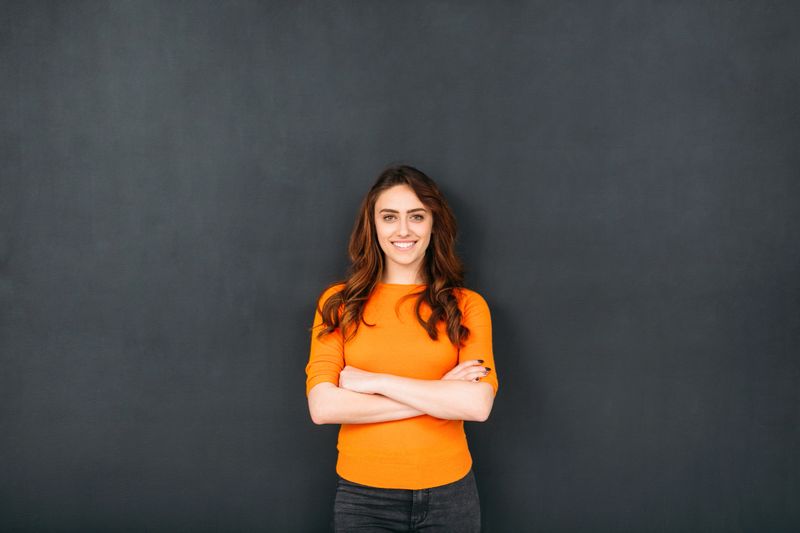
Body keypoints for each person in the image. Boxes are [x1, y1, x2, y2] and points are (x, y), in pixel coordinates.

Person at [305, 164, 499, 532]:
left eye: (417, 216)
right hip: (364, 499)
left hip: (450, 496)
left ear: (433, 224)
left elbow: (476, 405)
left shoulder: (467, 305)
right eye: (390, 217)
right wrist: (440, 392)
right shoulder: (338, 303)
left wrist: (372, 381)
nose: (404, 230)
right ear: (373, 225)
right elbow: (323, 406)